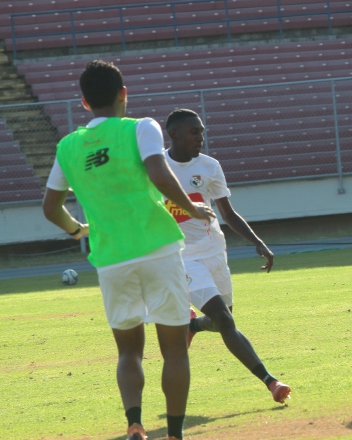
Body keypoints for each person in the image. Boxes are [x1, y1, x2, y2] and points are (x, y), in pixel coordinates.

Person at [42, 60, 215, 440]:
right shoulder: (141, 127)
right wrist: (192, 207)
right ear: (124, 94)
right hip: (158, 248)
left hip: (110, 259)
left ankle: (134, 424)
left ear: (84, 103)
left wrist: (78, 231)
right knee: (174, 350)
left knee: (128, 352)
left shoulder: (68, 146)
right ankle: (174, 434)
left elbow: (51, 208)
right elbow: (157, 171)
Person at [163, 108, 291, 404]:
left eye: (202, 131)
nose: (201, 137)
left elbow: (228, 213)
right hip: (181, 257)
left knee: (224, 319)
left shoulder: (209, 167)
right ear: (174, 134)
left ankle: (192, 325)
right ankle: (270, 381)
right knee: (222, 316)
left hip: (214, 251)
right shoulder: (155, 166)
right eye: (194, 132)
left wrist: (257, 241)